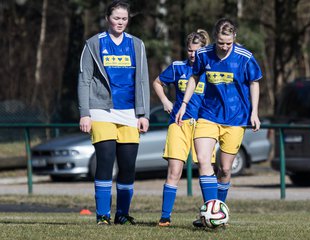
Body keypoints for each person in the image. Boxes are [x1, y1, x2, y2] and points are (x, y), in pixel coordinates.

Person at [175, 18, 262, 227]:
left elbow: (255, 83)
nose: (224, 47)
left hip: (235, 118)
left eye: (228, 43)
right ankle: (211, 214)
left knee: (224, 169)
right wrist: (184, 104)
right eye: (221, 42)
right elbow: (194, 78)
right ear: (215, 38)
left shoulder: (245, 58)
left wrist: (255, 113)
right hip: (208, 115)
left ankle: (218, 213)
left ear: (234, 39)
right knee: (204, 160)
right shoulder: (204, 54)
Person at [78, 0, 150, 225]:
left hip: (129, 113)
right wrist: (85, 112)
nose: (120, 22)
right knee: (105, 162)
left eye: (124, 18)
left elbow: (143, 80)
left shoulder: (137, 44)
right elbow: (84, 80)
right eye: (116, 18)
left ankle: (122, 214)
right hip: (101, 111)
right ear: (108, 18)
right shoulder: (93, 43)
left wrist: (144, 113)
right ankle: (102, 215)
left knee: (127, 167)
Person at [153, 29, 210, 227]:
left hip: (204, 125)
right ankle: (165, 217)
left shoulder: (211, 70)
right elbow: (157, 83)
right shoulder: (178, 67)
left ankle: (210, 215)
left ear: (205, 49)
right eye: (190, 50)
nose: (193, 54)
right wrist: (166, 102)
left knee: (206, 170)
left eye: (197, 50)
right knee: (174, 171)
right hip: (179, 123)